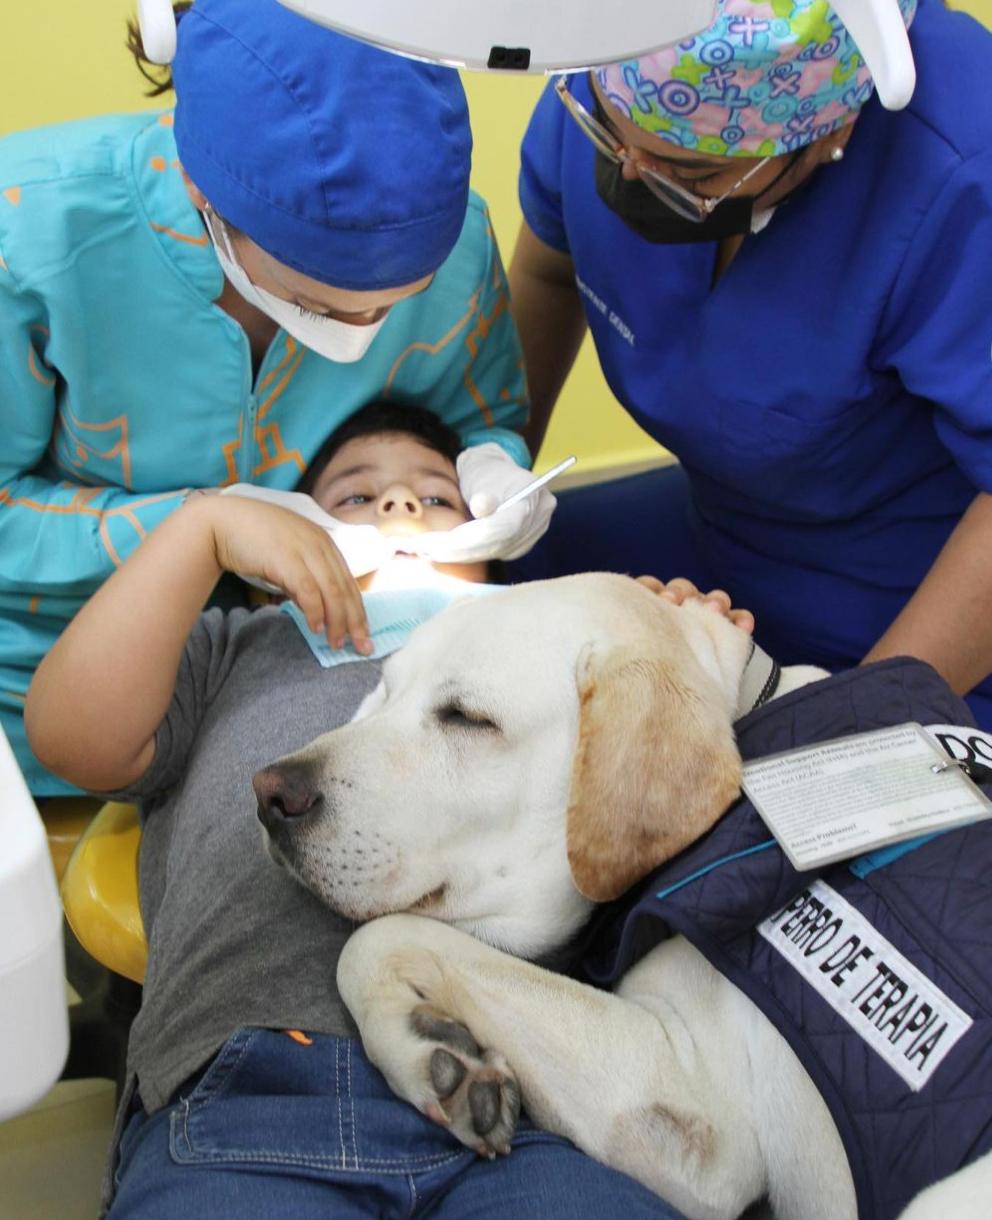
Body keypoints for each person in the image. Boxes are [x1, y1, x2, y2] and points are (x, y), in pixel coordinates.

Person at [23, 402, 738, 1220]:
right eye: (354, 500)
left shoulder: (551, 662)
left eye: (438, 498)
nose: (398, 507)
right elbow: (69, 737)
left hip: (535, 1107)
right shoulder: (246, 644)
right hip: (250, 1087)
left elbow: (666, 782)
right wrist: (201, 533)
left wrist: (666, 642)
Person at [0, 0, 543, 795]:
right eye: (320, 302)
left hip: (321, 694)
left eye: (401, 299)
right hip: (43, 690)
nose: (368, 327)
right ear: (203, 190)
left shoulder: (455, 243)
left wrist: (496, 466)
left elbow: (462, 428)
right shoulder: (29, 235)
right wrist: (199, 527)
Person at [506, 0, 992, 729]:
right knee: (489, 614)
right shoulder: (622, 68)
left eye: (688, 171)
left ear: (832, 132)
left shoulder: (961, 173)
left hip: (916, 603)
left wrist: (857, 727)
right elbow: (547, 272)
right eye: (606, 134)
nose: (629, 175)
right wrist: (485, 488)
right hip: (713, 537)